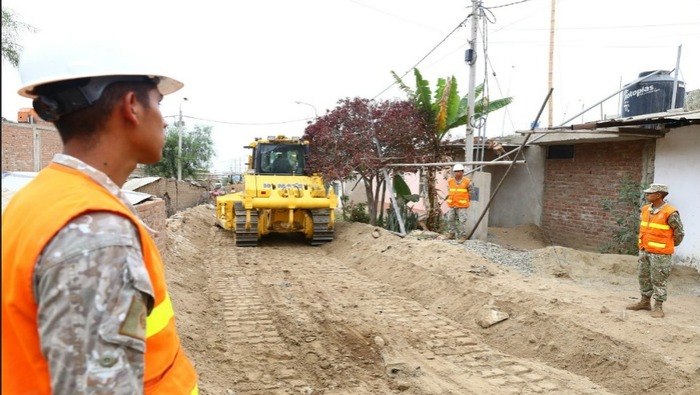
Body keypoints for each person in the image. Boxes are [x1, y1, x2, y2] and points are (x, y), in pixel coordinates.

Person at [1, 31, 199, 394]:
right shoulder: (96, 234)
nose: (166, 121)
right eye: (158, 102)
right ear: (131, 107)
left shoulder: (36, 200)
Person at [626, 183, 684, 318]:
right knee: (643, 277)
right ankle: (645, 302)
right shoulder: (645, 209)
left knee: (659, 280)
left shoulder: (670, 212)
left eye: (649, 193)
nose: (647, 195)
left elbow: (679, 233)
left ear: (659, 195)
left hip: (661, 254)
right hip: (644, 250)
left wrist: (668, 245)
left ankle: (658, 306)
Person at [445, 163, 475, 243]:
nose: (458, 173)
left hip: (462, 205)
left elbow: (471, 192)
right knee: (450, 219)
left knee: (462, 221)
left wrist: (466, 200)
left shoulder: (467, 182)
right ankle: (452, 234)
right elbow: (449, 191)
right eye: (456, 171)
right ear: (454, 172)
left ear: (462, 172)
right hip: (452, 204)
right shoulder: (450, 181)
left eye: (459, 171)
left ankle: (463, 236)